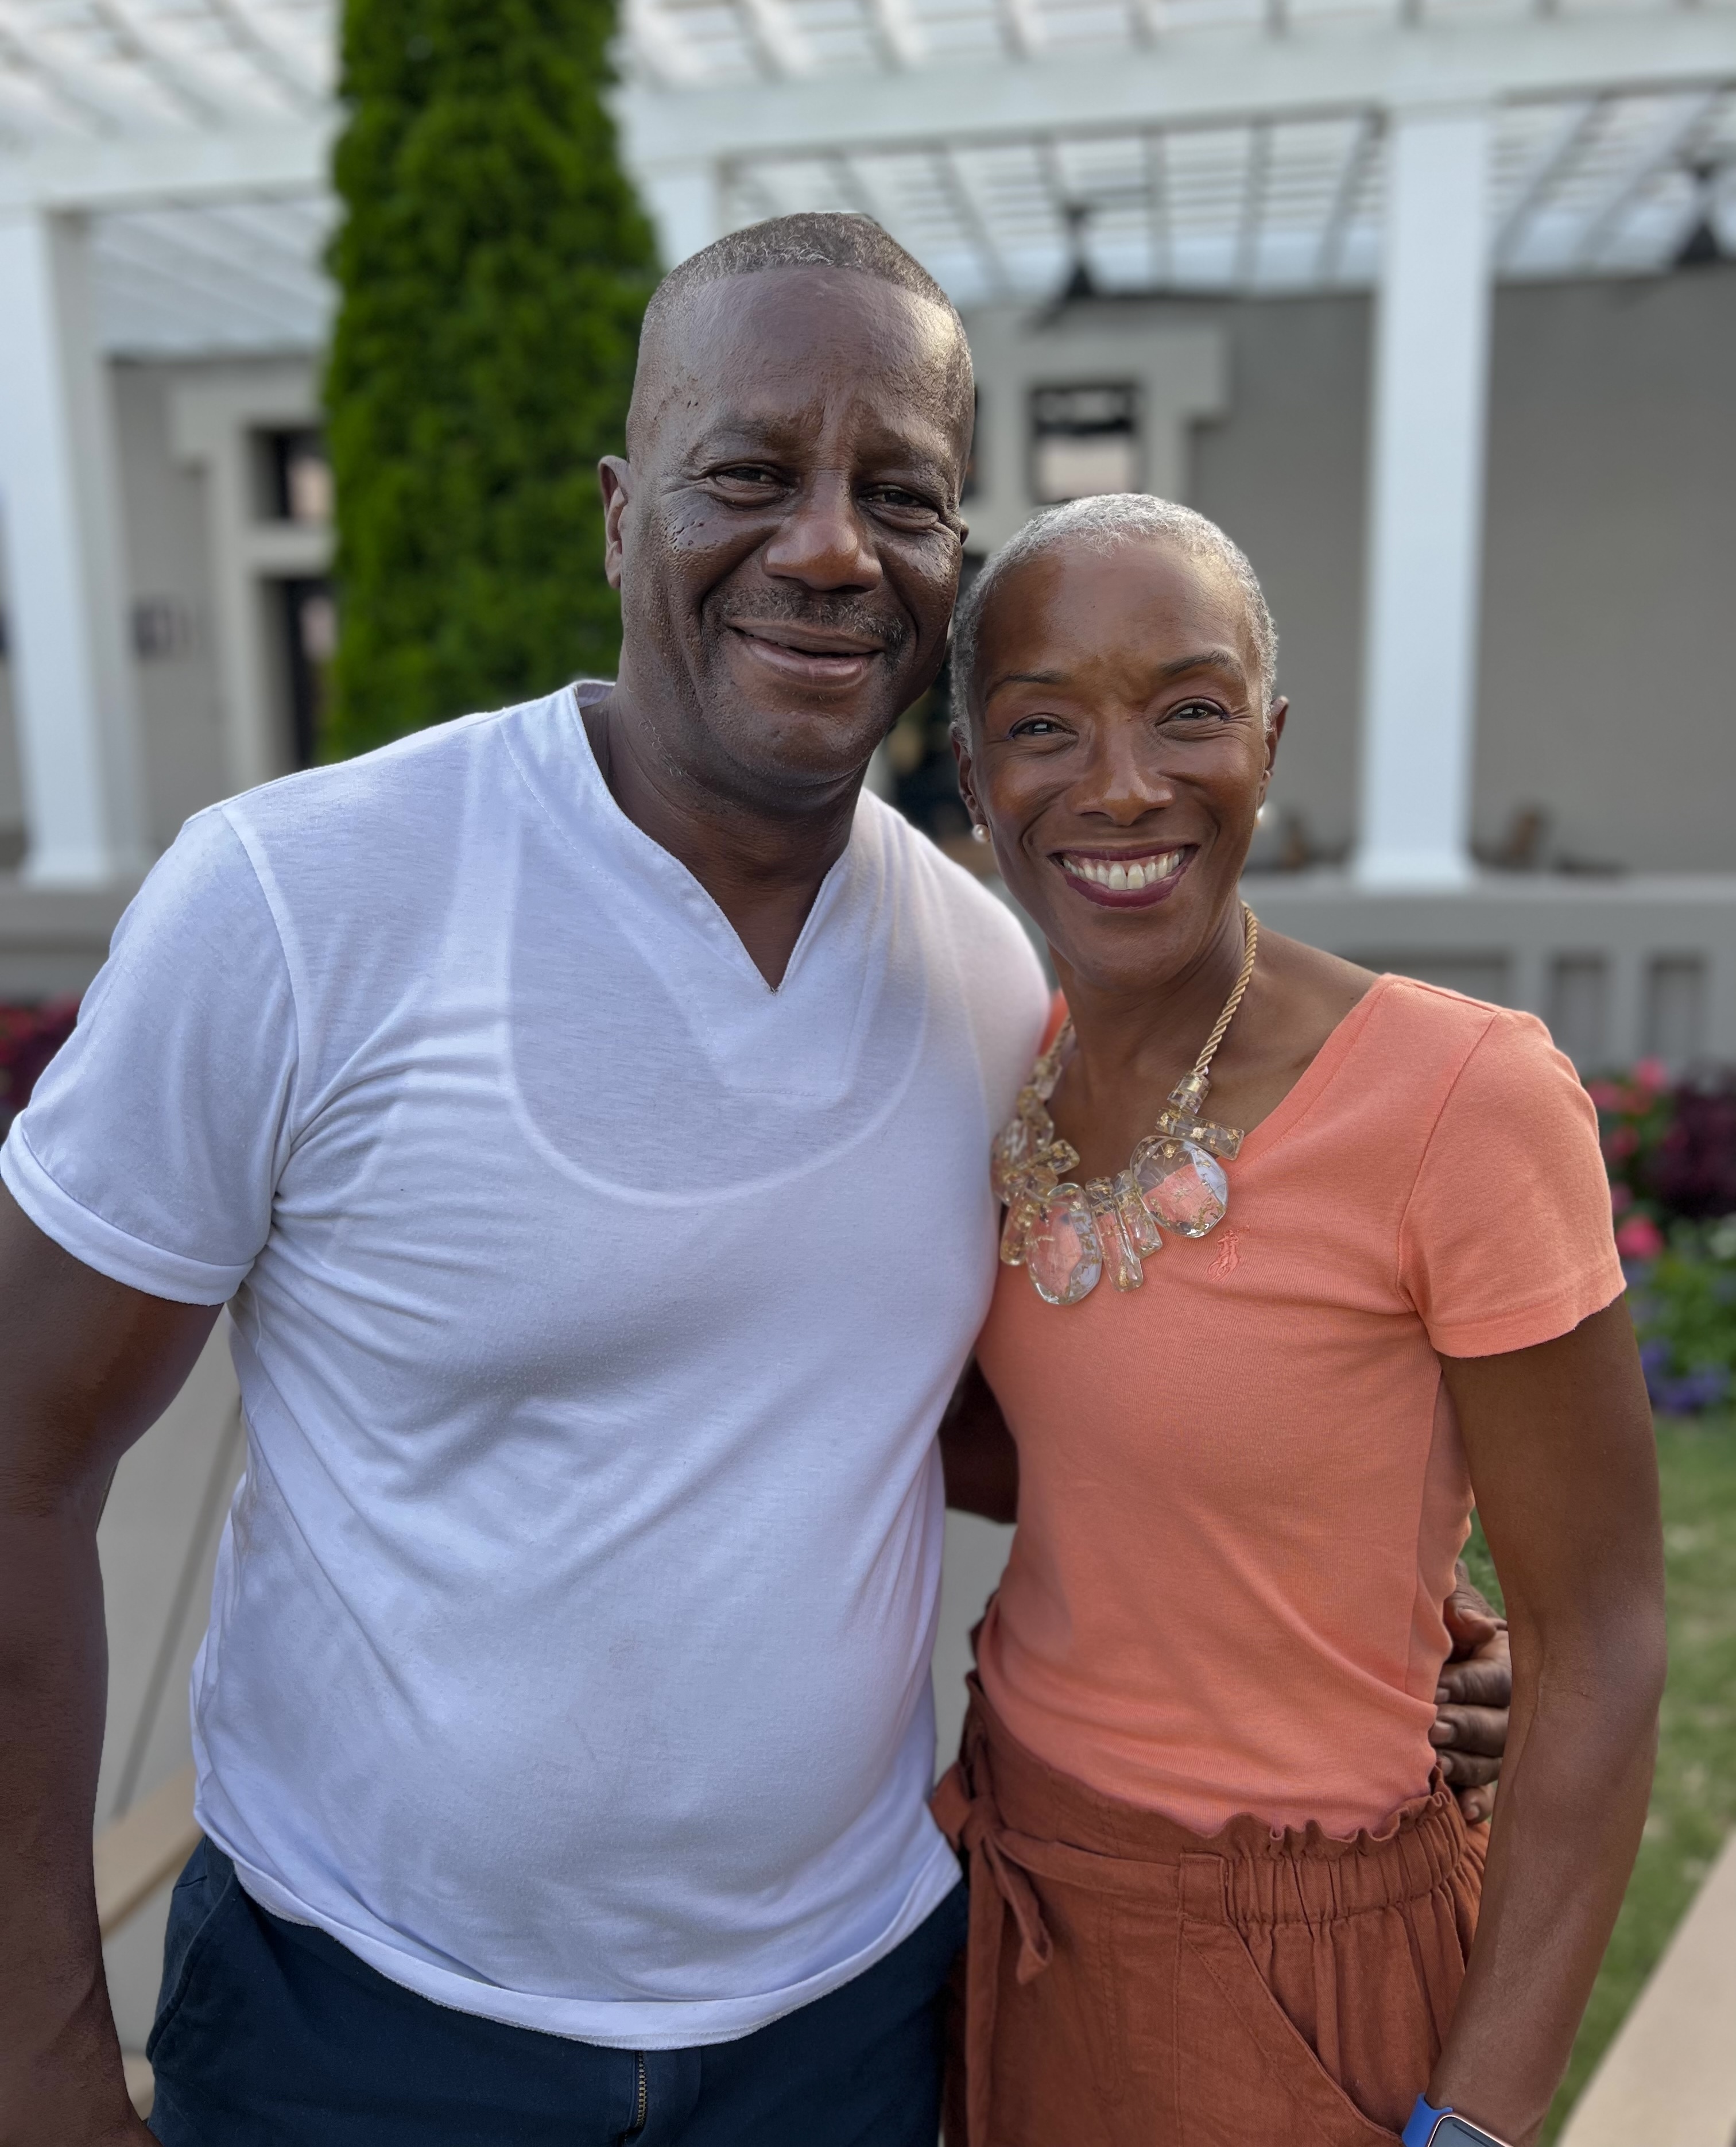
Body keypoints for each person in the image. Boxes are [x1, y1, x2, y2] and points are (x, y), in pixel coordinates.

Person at [0, 216, 1505, 2147]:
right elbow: (22, 1453)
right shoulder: (299, 899)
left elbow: (1024, 1412)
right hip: (361, 2027)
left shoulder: (988, 980)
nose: (830, 545)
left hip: (844, 2035)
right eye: (750, 472)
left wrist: (1389, 1592)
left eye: (903, 494)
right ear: (621, 513)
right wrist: (43, 2073)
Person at [937, 493, 1667, 2147]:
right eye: (1045, 726)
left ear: (1268, 743)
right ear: (975, 781)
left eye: (1188, 711)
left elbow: (1604, 1643)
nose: (1124, 784)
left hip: (1305, 1957)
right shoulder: (1003, 1076)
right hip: (1022, 1891)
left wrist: (1476, 2128)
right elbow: (1052, 1452)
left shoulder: (1461, 1099)